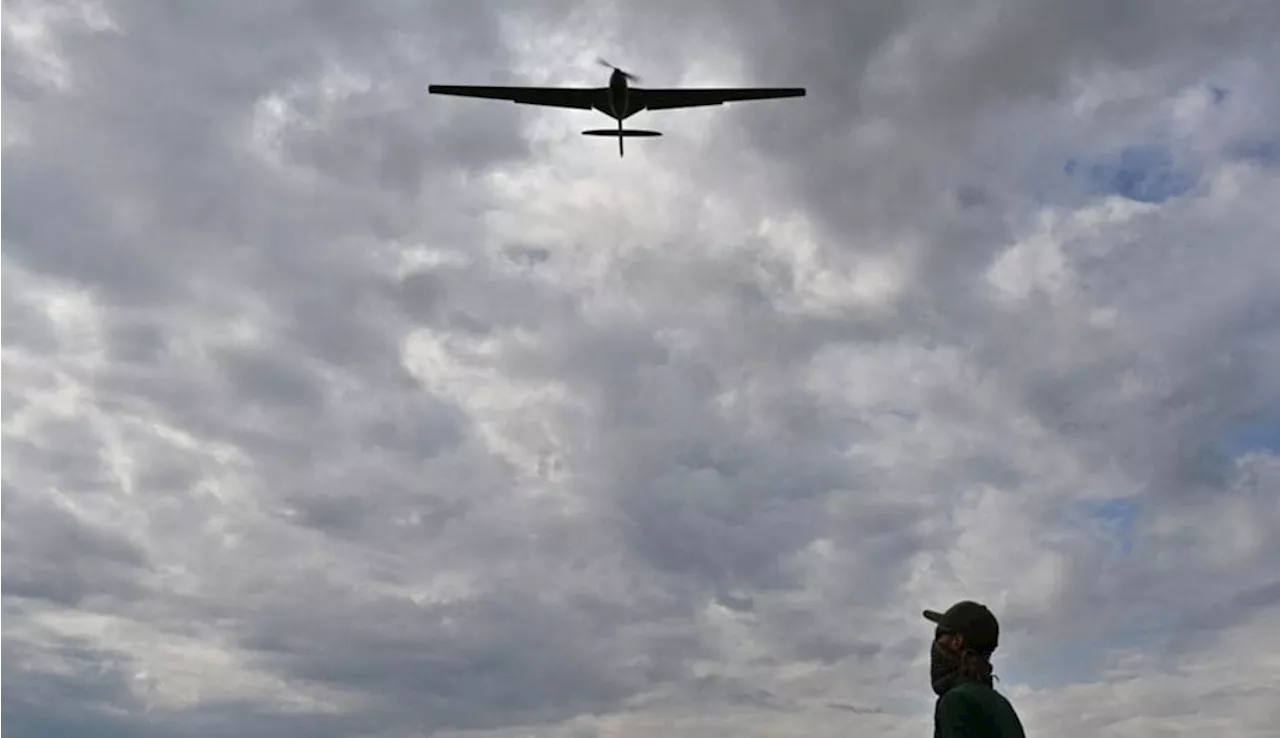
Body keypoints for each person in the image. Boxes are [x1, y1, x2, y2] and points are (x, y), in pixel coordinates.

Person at [923, 601, 1026, 737]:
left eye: (940, 637)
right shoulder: (1001, 704)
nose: (936, 644)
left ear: (957, 641)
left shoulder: (956, 701)